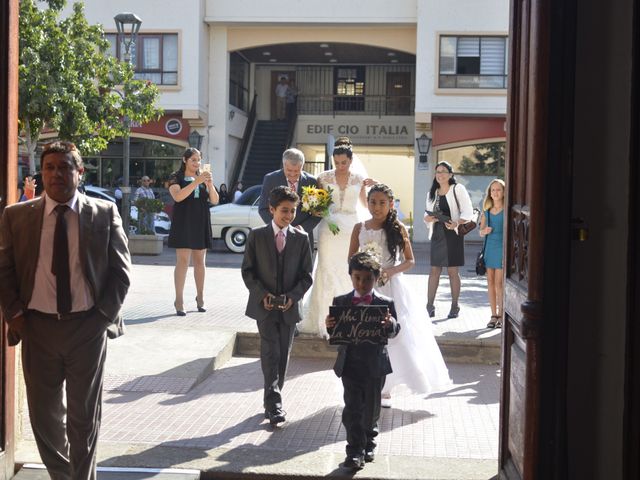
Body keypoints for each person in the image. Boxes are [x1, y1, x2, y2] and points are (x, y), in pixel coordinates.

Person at [0, 141, 131, 480]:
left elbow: (121, 273)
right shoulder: (17, 216)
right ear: (41, 173)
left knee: (83, 417)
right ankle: (63, 475)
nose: (56, 174)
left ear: (79, 172)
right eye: (49, 167)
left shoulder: (104, 213)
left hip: (86, 328)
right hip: (37, 328)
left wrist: (102, 318)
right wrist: (14, 315)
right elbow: (5, 269)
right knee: (44, 418)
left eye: (64, 167)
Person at [349, 184, 451, 408]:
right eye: (373, 202)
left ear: (391, 204)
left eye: (382, 203)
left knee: (394, 335)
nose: (377, 207)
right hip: (366, 288)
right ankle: (367, 381)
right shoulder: (359, 228)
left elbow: (410, 260)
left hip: (391, 286)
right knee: (365, 335)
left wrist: (389, 271)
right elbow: (351, 259)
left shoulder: (399, 228)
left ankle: (386, 387)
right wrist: (361, 280)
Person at [241, 186, 313, 426]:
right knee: (270, 352)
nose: (289, 216)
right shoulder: (257, 236)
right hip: (264, 307)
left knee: (283, 355)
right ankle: (274, 404)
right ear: (271, 209)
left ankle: (272, 398)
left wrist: (293, 296)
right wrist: (262, 294)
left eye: (293, 211)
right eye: (284, 210)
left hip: (289, 308)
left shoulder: (301, 239)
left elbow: (307, 276)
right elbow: (248, 271)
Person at [325, 251, 400, 470]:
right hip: (350, 365)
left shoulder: (385, 303)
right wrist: (330, 326)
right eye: (357, 278)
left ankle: (370, 441)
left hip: (375, 365)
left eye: (368, 279)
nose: (362, 283)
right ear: (351, 276)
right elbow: (335, 334)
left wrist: (390, 324)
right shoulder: (341, 302)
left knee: (371, 409)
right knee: (352, 409)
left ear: (376, 279)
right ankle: (354, 450)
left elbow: (395, 330)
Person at [299, 137, 374, 336]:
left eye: (344, 162)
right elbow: (316, 205)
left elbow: (366, 205)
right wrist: (324, 214)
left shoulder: (359, 179)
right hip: (328, 230)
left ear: (350, 161)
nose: (340, 166)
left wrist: (375, 188)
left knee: (348, 269)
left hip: (351, 228)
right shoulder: (323, 178)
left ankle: (349, 318)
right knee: (326, 269)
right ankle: (324, 322)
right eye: (337, 162)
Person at [167, 147, 219, 316]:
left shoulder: (203, 177)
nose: (197, 163)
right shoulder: (176, 177)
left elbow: (215, 200)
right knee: (182, 261)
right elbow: (178, 196)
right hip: (184, 221)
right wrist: (196, 182)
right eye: (193, 160)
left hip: (201, 220)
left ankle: (200, 297)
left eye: (199, 160)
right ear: (185, 160)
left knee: (200, 261)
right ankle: (179, 299)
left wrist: (209, 185)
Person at [423, 161, 474, 319]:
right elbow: (426, 216)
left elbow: (468, 211)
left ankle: (454, 306)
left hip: (453, 233)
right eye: (438, 171)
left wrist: (457, 222)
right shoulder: (432, 192)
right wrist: (428, 218)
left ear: (451, 174)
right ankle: (429, 306)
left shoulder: (458, 189)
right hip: (437, 233)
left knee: (453, 271)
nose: (440, 174)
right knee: (434, 271)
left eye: (443, 171)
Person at [258, 148, 322, 249]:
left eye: (296, 171)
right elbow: (263, 209)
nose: (292, 174)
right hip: (277, 236)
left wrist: (302, 228)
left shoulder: (311, 181)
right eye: (289, 170)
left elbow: (319, 212)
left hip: (303, 238)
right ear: (283, 165)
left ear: (302, 166)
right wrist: (279, 227)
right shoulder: (271, 179)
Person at [479, 179, 506, 328]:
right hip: (489, 249)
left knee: (499, 283)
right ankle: (493, 315)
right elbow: (481, 232)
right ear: (490, 193)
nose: (495, 192)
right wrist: (484, 231)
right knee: (490, 282)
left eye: (498, 190)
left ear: (503, 193)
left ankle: (502, 315)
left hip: (502, 249)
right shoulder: (487, 212)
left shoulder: (507, 210)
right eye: (493, 190)